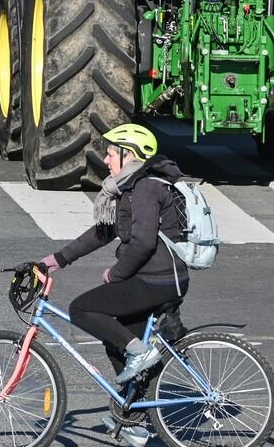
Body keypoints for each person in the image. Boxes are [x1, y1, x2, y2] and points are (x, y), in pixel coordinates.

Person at [38, 123, 189, 384]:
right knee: (117, 341)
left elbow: (142, 243)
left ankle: (141, 355)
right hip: (151, 277)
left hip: (158, 280)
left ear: (129, 155)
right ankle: (131, 417)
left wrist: (116, 274)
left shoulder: (145, 188)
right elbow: (105, 232)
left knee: (82, 309)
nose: (106, 159)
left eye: (110, 153)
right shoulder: (129, 187)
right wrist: (58, 259)